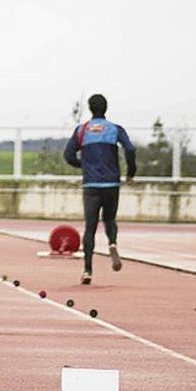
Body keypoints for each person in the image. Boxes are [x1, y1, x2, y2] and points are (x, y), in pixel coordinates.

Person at [63, 94, 136, 285]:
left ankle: (87, 270)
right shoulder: (114, 129)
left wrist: (84, 164)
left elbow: (68, 155)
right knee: (110, 219)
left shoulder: (82, 130)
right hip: (111, 183)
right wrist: (131, 172)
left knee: (90, 227)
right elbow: (130, 149)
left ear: (90, 108)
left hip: (91, 184)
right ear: (106, 108)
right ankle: (112, 244)